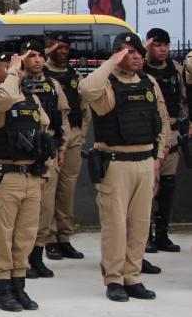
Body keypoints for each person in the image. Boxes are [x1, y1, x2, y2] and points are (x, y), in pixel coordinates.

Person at [78, 32, 170, 302]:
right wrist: (111, 62)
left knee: (140, 224)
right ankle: (114, 279)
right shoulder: (106, 83)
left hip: (145, 161)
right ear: (118, 55)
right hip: (116, 163)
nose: (137, 56)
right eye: (129, 52)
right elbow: (85, 89)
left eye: (139, 52)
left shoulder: (148, 81)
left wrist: (158, 156)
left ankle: (133, 276)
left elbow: (161, 119)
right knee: (116, 225)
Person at [0, 49, 55, 312]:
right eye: (10, 68)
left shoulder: (32, 100)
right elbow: (4, 97)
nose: (17, 72)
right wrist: (11, 72)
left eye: (19, 69)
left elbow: (45, 134)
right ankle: (3, 289)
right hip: (5, 178)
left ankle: (19, 285)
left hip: (30, 177)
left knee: (25, 236)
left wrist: (45, 170)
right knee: (3, 236)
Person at [18, 40, 71, 280]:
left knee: (45, 207)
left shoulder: (53, 85)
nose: (38, 60)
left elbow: (63, 117)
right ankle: (22, 258)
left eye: (41, 55)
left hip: (47, 149)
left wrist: (62, 146)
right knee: (23, 211)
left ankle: (37, 256)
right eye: (32, 56)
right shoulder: (13, 85)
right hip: (22, 151)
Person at [43, 33, 89, 260]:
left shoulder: (74, 75)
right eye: (59, 47)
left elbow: (85, 105)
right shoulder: (42, 73)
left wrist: (81, 134)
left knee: (67, 189)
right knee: (49, 190)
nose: (64, 51)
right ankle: (49, 239)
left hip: (74, 134)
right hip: (53, 136)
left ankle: (64, 237)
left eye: (66, 47)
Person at [142, 28, 186, 258]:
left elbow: (183, 98)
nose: (163, 49)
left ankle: (162, 234)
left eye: (165, 45)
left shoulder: (176, 71)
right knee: (149, 190)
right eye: (157, 45)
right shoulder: (140, 70)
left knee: (168, 187)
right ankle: (145, 236)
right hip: (150, 136)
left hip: (174, 133)